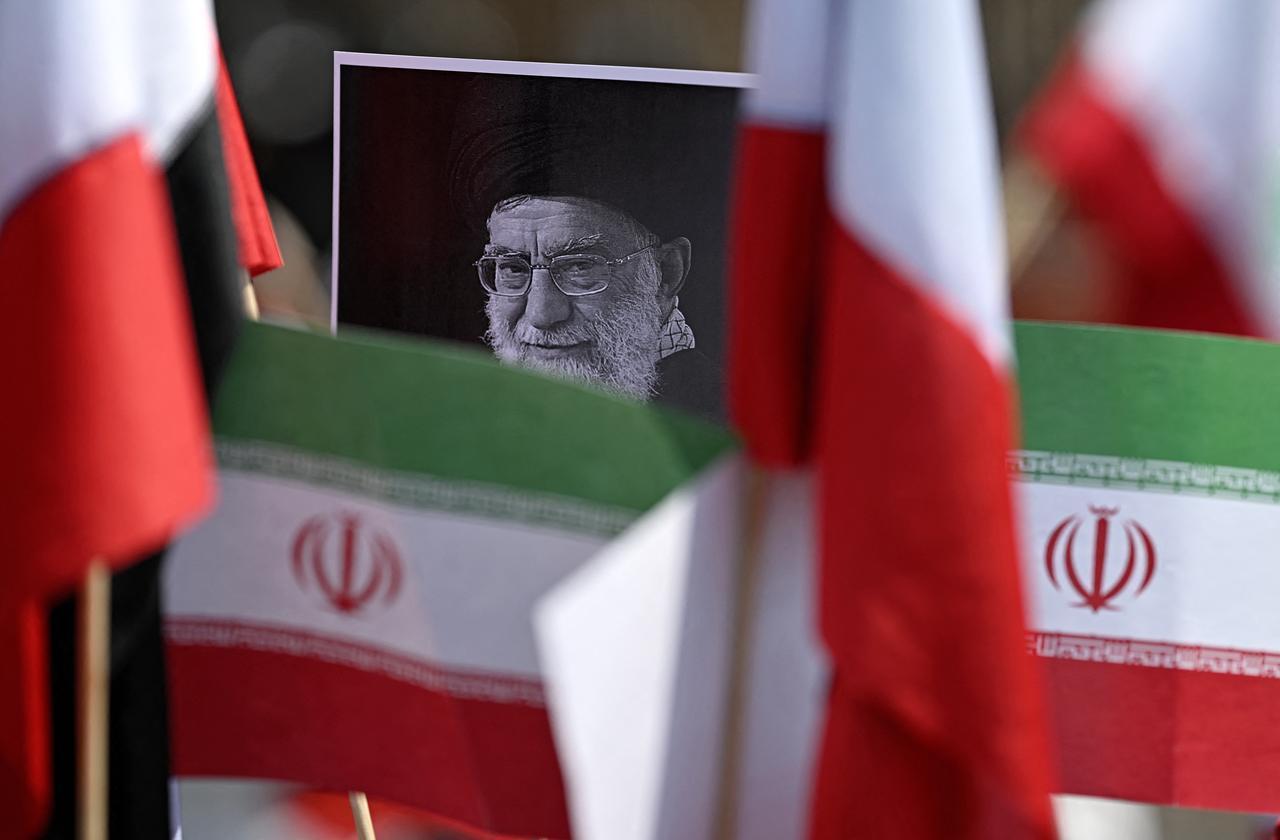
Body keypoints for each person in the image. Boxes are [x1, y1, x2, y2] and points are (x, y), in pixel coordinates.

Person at [477, 192, 720, 417]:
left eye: (579, 266)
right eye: (513, 268)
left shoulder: (726, 433)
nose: (540, 315)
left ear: (666, 273)